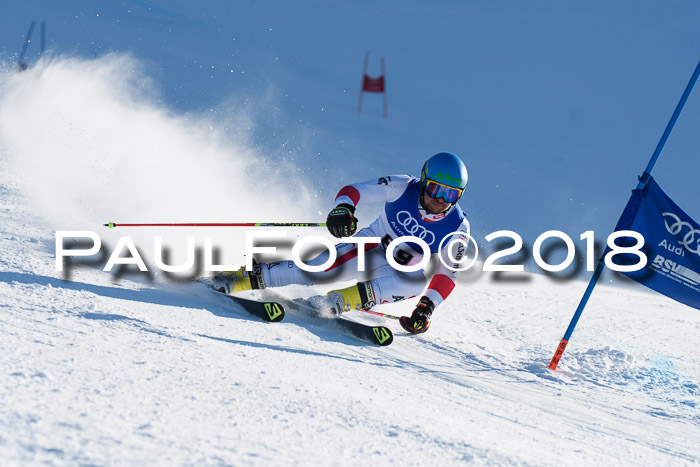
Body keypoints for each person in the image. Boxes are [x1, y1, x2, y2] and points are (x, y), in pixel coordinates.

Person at [217, 152, 471, 334]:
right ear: (425, 182)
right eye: (436, 189)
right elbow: (355, 190)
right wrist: (344, 209)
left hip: (402, 267)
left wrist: (427, 307)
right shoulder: (403, 187)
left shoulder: (457, 227)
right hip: (371, 247)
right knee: (317, 270)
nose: (440, 199)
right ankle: (238, 279)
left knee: (415, 282)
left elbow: (448, 274)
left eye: (450, 194)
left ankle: (336, 302)